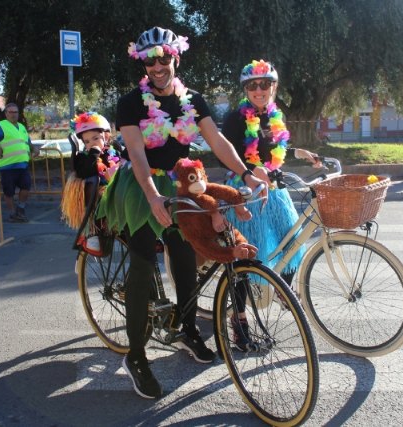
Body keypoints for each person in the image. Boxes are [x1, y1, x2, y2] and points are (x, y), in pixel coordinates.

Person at [96, 26, 265, 399]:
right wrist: (154, 197)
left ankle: (188, 328)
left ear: (175, 57)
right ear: (143, 63)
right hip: (141, 186)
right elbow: (137, 155)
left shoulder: (194, 99)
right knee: (143, 262)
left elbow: (218, 141)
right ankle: (136, 356)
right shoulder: (130, 103)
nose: (158, 66)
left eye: (164, 58)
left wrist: (246, 174)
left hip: (180, 182)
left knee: (186, 252)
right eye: (150, 60)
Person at [221, 59, 321, 350]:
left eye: (265, 84)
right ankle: (238, 322)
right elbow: (230, 153)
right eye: (252, 85)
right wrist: (251, 173)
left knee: (291, 240)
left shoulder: (275, 115)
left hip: (273, 188)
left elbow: (273, 146)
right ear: (245, 89)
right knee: (247, 256)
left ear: (273, 87)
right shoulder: (235, 118)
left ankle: (282, 289)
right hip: (243, 189)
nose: (259, 90)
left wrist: (299, 151)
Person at [61, 112, 123, 255]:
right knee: (102, 198)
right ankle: (93, 234)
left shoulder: (113, 152)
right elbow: (85, 171)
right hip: (99, 193)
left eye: (96, 138)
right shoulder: (84, 158)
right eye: (87, 141)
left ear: (106, 137)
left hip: (118, 188)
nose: (91, 143)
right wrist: (94, 153)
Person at [0, 103, 39, 222]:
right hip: (7, 165)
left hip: (22, 164)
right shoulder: (1, 125)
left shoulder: (22, 127)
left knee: (26, 187)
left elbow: (27, 141)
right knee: (9, 192)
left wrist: (35, 149)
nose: (13, 114)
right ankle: (13, 213)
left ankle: (20, 208)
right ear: (6, 113)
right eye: (11, 112)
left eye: (15, 112)